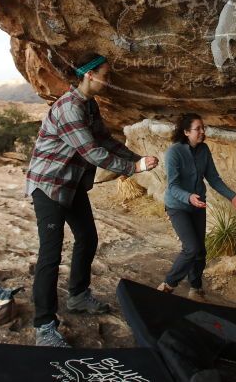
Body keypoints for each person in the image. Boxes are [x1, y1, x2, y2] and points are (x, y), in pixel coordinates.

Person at [26, 52, 159, 347]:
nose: (108, 80)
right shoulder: (69, 109)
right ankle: (44, 327)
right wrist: (133, 168)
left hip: (71, 185)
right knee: (51, 254)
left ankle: (77, 297)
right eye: (105, 75)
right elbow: (92, 152)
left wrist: (137, 157)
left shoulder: (89, 106)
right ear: (89, 75)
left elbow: (106, 141)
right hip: (49, 187)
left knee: (87, 237)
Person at [158, 113, 236, 300]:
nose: (202, 131)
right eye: (198, 128)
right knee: (191, 248)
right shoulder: (174, 152)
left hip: (198, 205)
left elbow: (214, 178)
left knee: (200, 251)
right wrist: (188, 197)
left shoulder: (204, 150)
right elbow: (172, 186)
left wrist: (233, 197)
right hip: (178, 206)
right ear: (186, 132)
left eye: (202, 128)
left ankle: (195, 289)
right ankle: (168, 284)